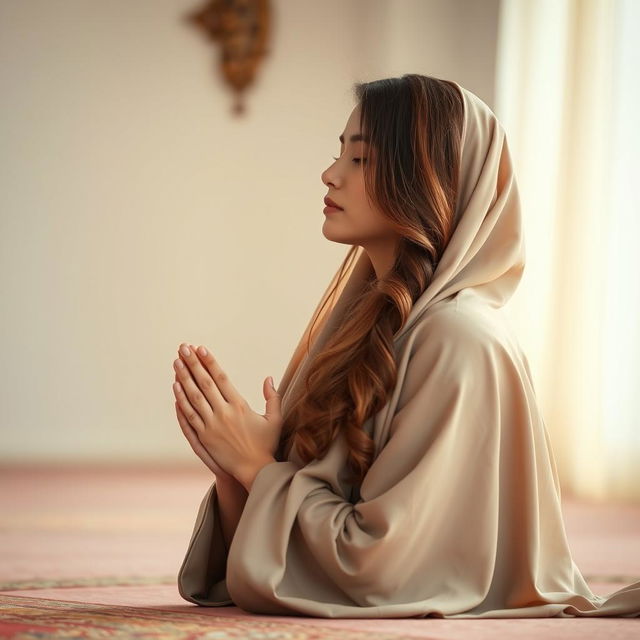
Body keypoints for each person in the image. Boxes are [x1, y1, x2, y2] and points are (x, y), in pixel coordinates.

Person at [173, 74, 640, 618]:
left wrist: (258, 469)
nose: (329, 175)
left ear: (423, 179)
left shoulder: (457, 339)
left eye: (361, 161)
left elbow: (381, 566)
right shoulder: (370, 324)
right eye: (338, 155)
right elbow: (291, 551)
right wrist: (233, 472)